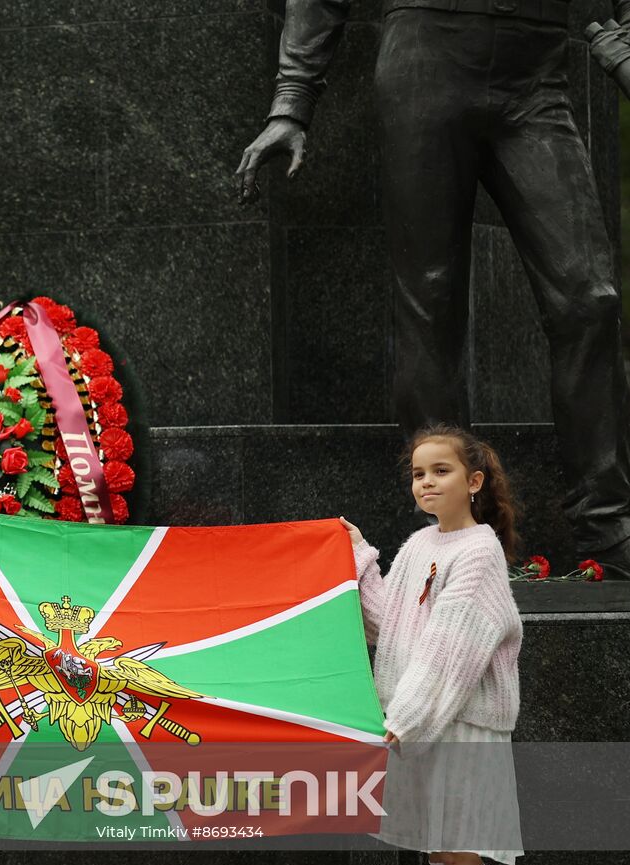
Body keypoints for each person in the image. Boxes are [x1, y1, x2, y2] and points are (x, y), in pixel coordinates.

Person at [236, 0, 630, 576]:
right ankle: (459, 536)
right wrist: (292, 100)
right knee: (431, 299)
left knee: (590, 299)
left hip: (539, 72)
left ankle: (608, 527)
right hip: (429, 55)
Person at [340, 424, 523, 865]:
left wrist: (403, 720)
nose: (426, 483)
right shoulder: (421, 542)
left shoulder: (479, 552)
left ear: (474, 481)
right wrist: (358, 556)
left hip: (457, 722)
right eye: (419, 474)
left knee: (460, 848)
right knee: (437, 849)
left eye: (441, 471)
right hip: (418, 719)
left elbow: (452, 647)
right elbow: (387, 622)